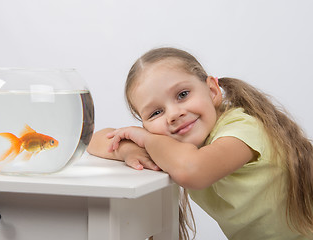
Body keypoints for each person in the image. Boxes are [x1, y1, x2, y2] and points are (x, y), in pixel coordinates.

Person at [87, 47, 313, 240]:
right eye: (156, 112)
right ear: (145, 123)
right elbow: (93, 140)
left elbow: (193, 170)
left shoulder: (243, 128)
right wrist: (128, 149)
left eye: (183, 94)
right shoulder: (172, 144)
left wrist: (146, 139)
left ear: (213, 91)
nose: (173, 114)